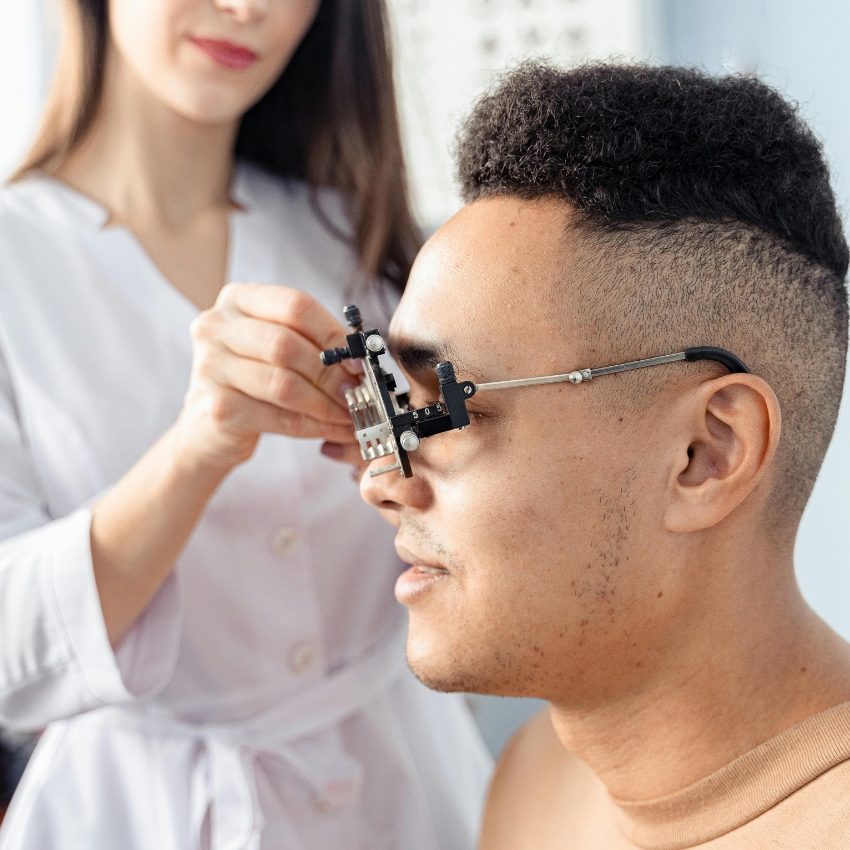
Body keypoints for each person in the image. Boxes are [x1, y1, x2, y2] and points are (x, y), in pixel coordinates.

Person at [0, 0, 491, 848]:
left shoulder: (363, 237)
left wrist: (415, 472)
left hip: (408, 789)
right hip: (134, 816)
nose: (248, 8)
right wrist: (196, 450)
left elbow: (471, 528)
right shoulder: (18, 264)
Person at [360, 61, 850, 849]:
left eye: (454, 413)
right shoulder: (536, 780)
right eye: (395, 411)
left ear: (706, 453)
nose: (380, 483)